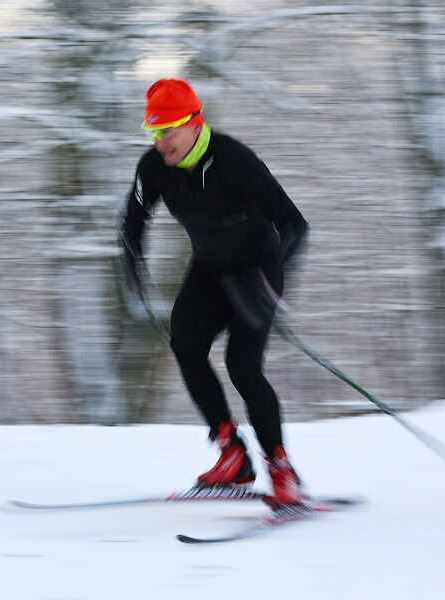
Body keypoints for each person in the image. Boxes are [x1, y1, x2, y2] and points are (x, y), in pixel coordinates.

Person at [119, 78, 310, 507]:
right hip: (210, 267)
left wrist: (266, 286)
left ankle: (282, 470)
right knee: (185, 342)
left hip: (257, 269)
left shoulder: (233, 160)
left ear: (194, 123)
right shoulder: (153, 167)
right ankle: (232, 455)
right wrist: (131, 260)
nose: (160, 141)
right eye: (153, 130)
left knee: (242, 366)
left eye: (167, 129)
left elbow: (295, 225)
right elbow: (132, 220)